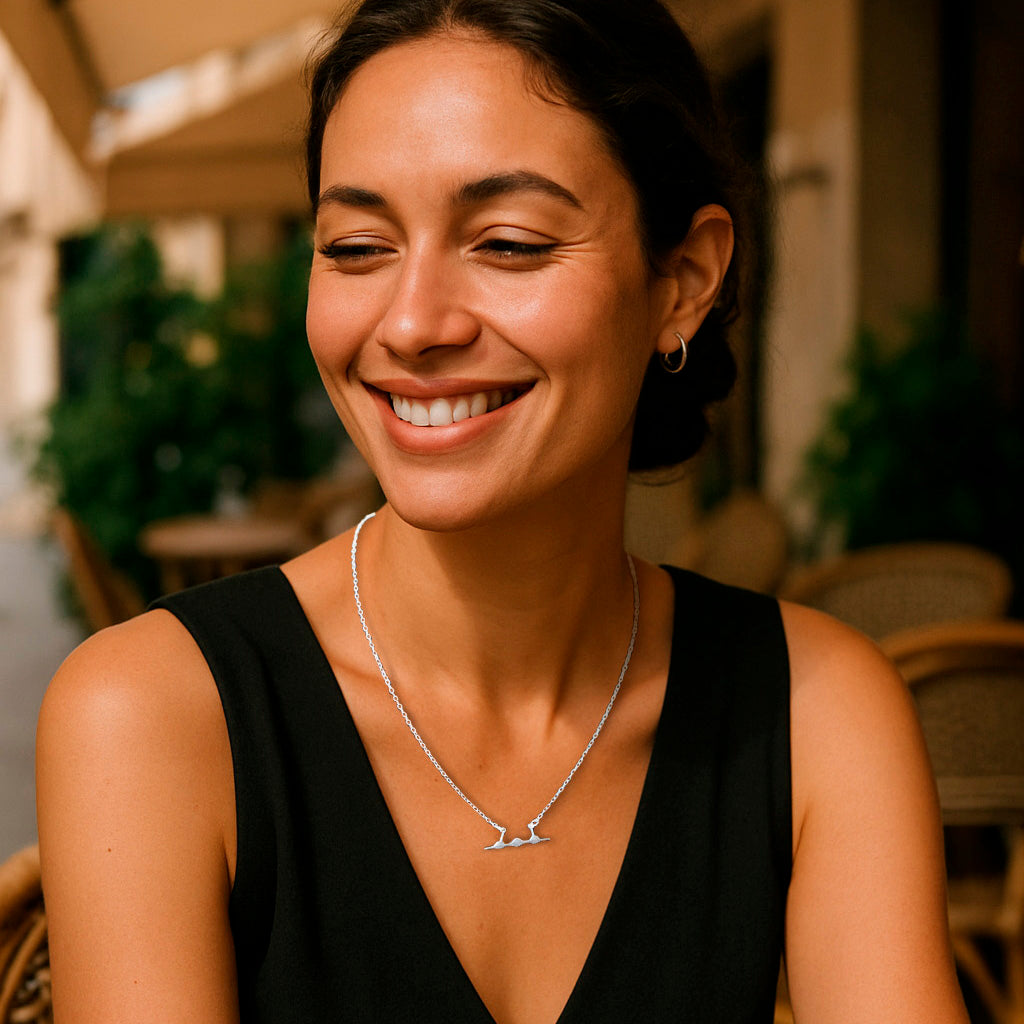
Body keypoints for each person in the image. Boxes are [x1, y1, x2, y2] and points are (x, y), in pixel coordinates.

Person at [36, 1, 969, 1021]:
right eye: (355, 247)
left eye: (510, 243)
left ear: (684, 281)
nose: (413, 324)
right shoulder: (155, 715)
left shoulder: (817, 712)